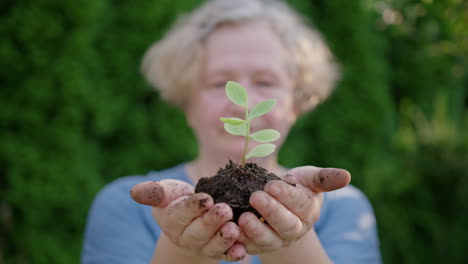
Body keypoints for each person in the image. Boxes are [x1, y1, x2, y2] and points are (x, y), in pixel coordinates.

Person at [81, 0, 381, 263]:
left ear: (297, 103)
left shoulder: (343, 208)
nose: (244, 105)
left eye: (265, 82)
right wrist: (185, 247)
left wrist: (293, 236)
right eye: (218, 83)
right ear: (186, 102)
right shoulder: (128, 205)